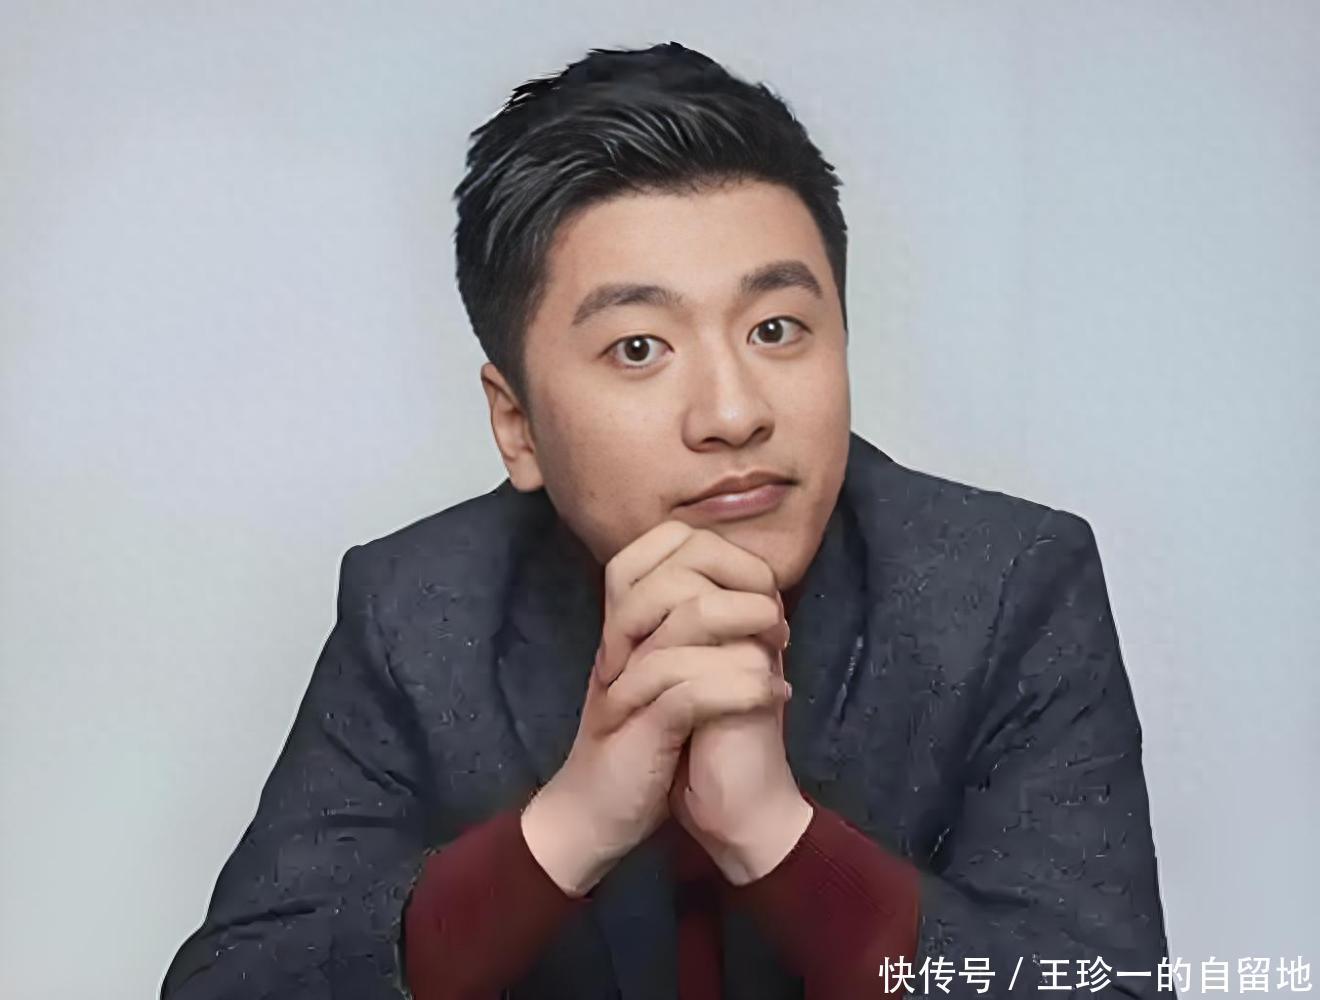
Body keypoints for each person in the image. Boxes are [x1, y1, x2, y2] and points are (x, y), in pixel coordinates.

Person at [160, 41, 1171, 1000]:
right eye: (639, 347)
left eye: (776, 328)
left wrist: (777, 838)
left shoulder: (1005, 587)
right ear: (516, 425)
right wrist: (568, 828)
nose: (733, 412)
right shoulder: (421, 611)